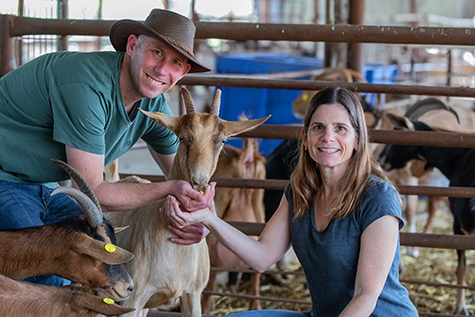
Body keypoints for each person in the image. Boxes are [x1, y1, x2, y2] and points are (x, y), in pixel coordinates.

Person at [0, 8, 214, 287]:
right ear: (133, 45)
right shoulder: (87, 86)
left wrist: (201, 218)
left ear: (182, 72)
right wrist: (169, 189)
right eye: (157, 53)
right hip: (5, 178)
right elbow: (92, 190)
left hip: (42, 186)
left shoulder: (153, 105)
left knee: (100, 248)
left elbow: (182, 174)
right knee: (50, 275)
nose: (162, 70)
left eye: (175, 62)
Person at [163, 87, 419, 316]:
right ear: (305, 139)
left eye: (340, 128)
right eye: (319, 127)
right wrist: (209, 217)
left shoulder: (378, 197)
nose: (328, 137)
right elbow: (261, 257)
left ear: (357, 141)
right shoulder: (300, 193)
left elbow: (366, 296)